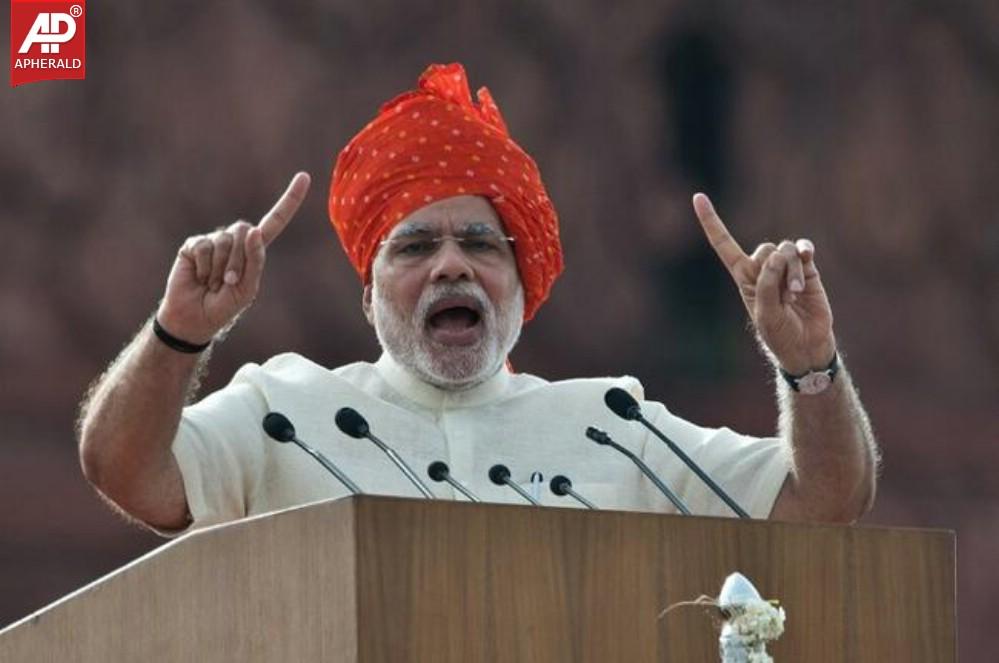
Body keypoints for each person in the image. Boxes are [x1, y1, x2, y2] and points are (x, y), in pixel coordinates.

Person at [77, 63, 878, 534]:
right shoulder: (282, 408)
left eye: (481, 245)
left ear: (521, 284)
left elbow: (824, 498)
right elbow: (125, 470)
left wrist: (808, 366)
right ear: (370, 295)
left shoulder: (612, 423)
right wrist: (177, 335)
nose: (451, 266)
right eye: (417, 246)